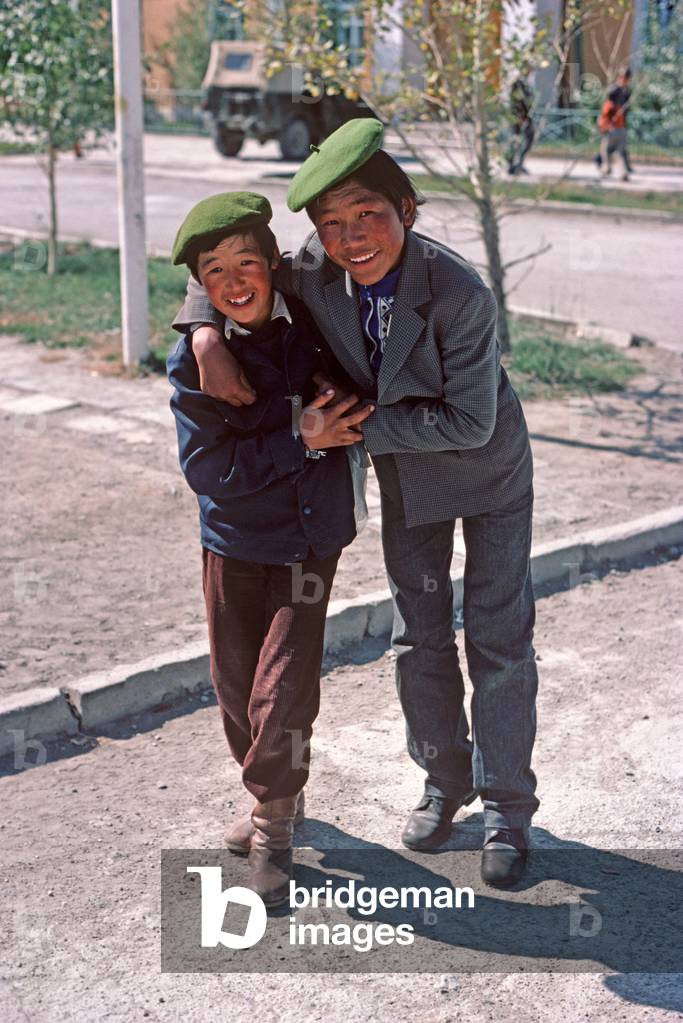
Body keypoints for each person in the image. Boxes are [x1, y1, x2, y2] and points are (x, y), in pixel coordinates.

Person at [173, 120, 540, 888]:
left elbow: (470, 422)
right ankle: (443, 782)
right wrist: (202, 332)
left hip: (487, 473)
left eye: (367, 215)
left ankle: (507, 808)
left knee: (498, 638)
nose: (349, 238)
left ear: (406, 208)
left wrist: (341, 429)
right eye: (330, 223)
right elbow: (232, 264)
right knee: (418, 634)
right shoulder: (315, 267)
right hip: (408, 480)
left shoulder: (459, 293)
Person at [166, 190, 372, 907]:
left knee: (282, 687)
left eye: (246, 262)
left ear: (273, 263)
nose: (234, 282)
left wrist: (333, 409)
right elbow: (207, 471)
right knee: (234, 686)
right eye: (215, 271)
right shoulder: (192, 361)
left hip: (309, 543)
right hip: (232, 540)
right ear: (200, 283)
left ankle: (273, 828)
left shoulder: (312, 321)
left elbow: (352, 392)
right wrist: (299, 436)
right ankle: (271, 794)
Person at [596, 68, 633, 182]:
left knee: (605, 150)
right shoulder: (622, 100)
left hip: (613, 129)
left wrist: (602, 127)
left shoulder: (609, 105)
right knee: (620, 153)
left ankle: (607, 168)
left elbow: (604, 118)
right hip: (621, 128)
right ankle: (623, 173)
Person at [507, 71, 535, 175]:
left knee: (526, 140)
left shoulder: (526, 82)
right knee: (515, 140)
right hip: (518, 117)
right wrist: (520, 117)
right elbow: (515, 101)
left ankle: (518, 164)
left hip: (525, 117)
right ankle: (512, 165)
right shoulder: (517, 83)